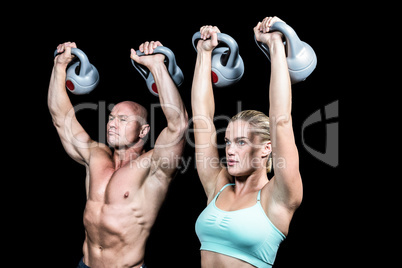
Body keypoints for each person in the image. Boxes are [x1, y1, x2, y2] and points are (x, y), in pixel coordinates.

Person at [48, 41, 188, 268]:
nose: (112, 124)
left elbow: (178, 125)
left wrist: (156, 66)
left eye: (123, 120)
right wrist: (59, 66)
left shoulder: (153, 166)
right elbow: (60, 118)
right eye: (112, 117)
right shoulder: (95, 155)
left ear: (143, 130)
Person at [192, 16, 303, 268]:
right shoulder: (217, 185)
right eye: (228, 141)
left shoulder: (278, 196)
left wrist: (275, 44)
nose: (229, 150)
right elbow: (201, 120)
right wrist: (204, 52)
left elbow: (281, 119)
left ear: (267, 148)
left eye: (241, 142)